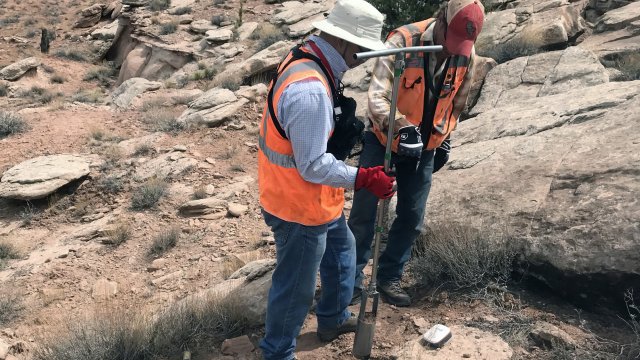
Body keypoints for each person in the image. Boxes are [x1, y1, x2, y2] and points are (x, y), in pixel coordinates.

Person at [257, 0, 396, 358]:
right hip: (298, 206)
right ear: (347, 43)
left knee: (341, 253)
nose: (366, 56)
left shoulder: (309, 56)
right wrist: (364, 177)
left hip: (318, 200)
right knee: (295, 291)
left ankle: (332, 318)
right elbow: (313, 166)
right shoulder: (310, 90)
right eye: (364, 48)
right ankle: (277, 352)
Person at [348, 0, 485, 307]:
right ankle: (351, 282)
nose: (452, 51)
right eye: (450, 42)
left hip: (424, 148)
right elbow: (377, 97)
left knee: (412, 217)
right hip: (384, 139)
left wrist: (442, 137)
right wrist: (401, 127)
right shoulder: (402, 42)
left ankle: (389, 276)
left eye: (460, 46)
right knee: (363, 215)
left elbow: (456, 104)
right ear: (442, 22)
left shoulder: (466, 55)